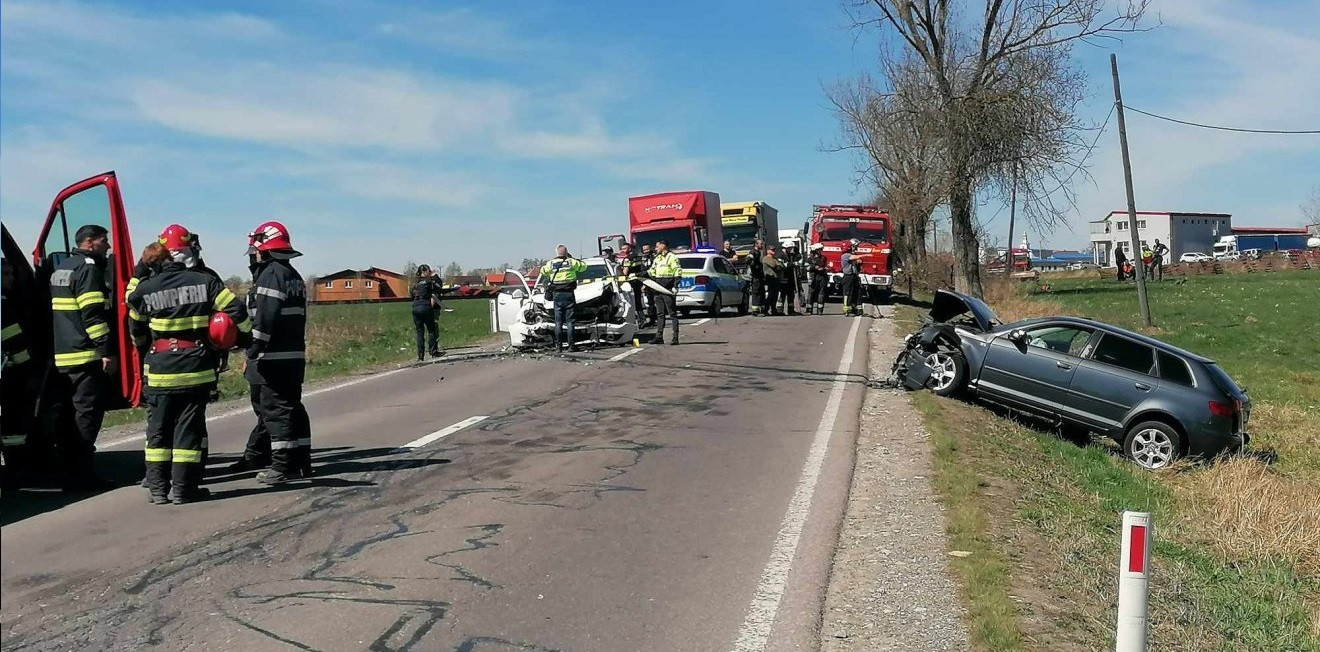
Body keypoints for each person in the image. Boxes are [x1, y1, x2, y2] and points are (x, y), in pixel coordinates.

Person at [127, 224, 251, 504]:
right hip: (195, 367)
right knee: (188, 430)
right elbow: (237, 311)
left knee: (157, 431)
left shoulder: (146, 288)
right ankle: (184, 489)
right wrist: (243, 338)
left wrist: (144, 345)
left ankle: (158, 490)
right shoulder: (205, 281)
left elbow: (134, 319)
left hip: (160, 367)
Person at [236, 221, 312, 485]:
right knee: (292, 409)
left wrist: (252, 352)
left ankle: (282, 467)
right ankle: (302, 461)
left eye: (255, 250)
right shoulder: (293, 275)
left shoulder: (271, 275)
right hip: (293, 357)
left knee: (276, 412)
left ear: (264, 249)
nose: (252, 255)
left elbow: (264, 320)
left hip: (272, 359)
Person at [49, 224, 116, 491]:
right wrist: (106, 350)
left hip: (62, 355)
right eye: (104, 241)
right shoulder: (88, 268)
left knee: (67, 418)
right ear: (89, 242)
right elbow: (92, 315)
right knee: (86, 416)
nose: (108, 246)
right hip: (85, 355)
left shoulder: (61, 268)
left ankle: (68, 472)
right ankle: (83, 476)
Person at [2, 255, 35, 488]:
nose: (11, 279)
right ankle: (16, 469)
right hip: (8, 374)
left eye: (12, 274)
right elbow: (13, 340)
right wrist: (26, 369)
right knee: (13, 423)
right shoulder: (3, 304)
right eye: (5, 275)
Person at [540, 246, 588, 353]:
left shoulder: (551, 263)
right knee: (570, 322)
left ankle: (559, 347)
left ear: (556, 252)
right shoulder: (572, 262)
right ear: (566, 252)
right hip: (569, 294)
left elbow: (543, 271)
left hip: (557, 294)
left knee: (558, 322)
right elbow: (584, 267)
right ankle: (571, 346)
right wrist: (573, 259)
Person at [648, 239, 682, 344]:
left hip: (668, 289)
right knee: (660, 314)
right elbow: (651, 271)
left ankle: (675, 338)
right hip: (658, 288)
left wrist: (675, 285)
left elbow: (677, 271)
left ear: (663, 246)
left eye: (657, 246)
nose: (656, 248)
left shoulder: (672, 257)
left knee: (672, 314)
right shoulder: (657, 258)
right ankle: (659, 337)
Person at [411, 264, 445, 361]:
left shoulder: (414, 284)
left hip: (415, 308)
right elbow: (439, 288)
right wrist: (435, 277)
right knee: (431, 330)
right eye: (429, 271)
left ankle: (420, 356)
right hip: (426, 307)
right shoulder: (429, 282)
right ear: (426, 272)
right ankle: (433, 352)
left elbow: (412, 297)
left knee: (419, 332)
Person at [618, 242, 645, 315]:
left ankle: (640, 319)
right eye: (622, 249)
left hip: (631, 283)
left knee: (633, 302)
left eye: (624, 248)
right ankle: (643, 318)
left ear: (629, 248)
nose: (623, 250)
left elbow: (625, 272)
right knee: (638, 300)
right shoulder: (638, 256)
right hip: (639, 280)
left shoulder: (627, 258)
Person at [840, 239, 863, 317]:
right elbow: (854, 258)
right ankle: (847, 309)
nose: (855, 248)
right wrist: (866, 255)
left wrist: (858, 262)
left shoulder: (851, 255)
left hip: (854, 275)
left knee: (858, 290)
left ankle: (856, 307)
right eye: (854, 247)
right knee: (847, 293)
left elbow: (856, 262)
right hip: (848, 276)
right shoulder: (846, 255)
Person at [761, 246, 784, 316]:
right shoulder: (766, 258)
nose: (773, 251)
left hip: (776, 279)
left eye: (774, 249)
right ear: (768, 251)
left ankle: (774, 310)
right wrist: (778, 265)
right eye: (771, 250)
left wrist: (779, 265)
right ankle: (765, 310)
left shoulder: (775, 258)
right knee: (770, 295)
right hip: (769, 279)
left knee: (775, 295)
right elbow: (774, 265)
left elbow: (781, 266)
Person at [806, 243, 828, 315]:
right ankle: (809, 310)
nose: (820, 251)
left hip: (822, 277)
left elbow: (828, 266)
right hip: (813, 277)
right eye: (819, 250)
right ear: (815, 250)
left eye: (820, 250)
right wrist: (814, 267)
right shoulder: (810, 259)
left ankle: (820, 310)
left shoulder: (823, 258)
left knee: (821, 293)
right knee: (811, 293)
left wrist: (825, 268)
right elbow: (806, 268)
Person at [747, 238, 767, 316]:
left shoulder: (758, 252)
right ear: (756, 244)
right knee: (756, 293)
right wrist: (754, 267)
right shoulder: (753, 252)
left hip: (759, 276)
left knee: (761, 292)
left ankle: (761, 309)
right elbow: (748, 260)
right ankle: (755, 311)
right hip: (756, 277)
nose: (762, 245)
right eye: (760, 244)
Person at [780, 244, 801, 316]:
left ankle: (791, 310)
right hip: (783, 279)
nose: (792, 250)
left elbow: (799, 256)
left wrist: (795, 256)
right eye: (790, 248)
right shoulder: (781, 255)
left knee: (791, 295)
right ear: (786, 248)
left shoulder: (790, 255)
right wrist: (792, 264)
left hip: (790, 279)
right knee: (782, 296)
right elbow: (783, 266)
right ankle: (779, 311)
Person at [640, 243, 657, 327]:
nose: (646, 251)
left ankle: (659, 318)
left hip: (656, 282)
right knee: (649, 302)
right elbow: (643, 271)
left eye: (647, 249)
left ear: (651, 248)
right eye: (644, 250)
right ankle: (652, 320)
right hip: (647, 283)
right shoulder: (643, 259)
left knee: (657, 301)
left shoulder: (655, 257)